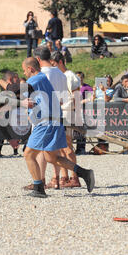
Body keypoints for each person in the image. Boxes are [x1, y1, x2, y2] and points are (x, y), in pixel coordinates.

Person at [20, 57, 95, 198]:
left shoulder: (36, 79)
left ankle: (38, 188)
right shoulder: (41, 79)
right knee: (51, 157)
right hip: (52, 121)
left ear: (30, 69)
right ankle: (84, 173)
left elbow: (18, 89)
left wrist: (1, 82)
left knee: (29, 154)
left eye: (24, 70)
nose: (24, 73)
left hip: (46, 122)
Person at [49, 51, 82, 188]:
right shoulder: (59, 76)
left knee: (67, 147)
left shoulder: (70, 76)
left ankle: (75, 177)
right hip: (60, 113)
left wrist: (63, 105)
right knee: (59, 148)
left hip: (67, 114)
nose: (52, 67)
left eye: (54, 64)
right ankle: (64, 176)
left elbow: (76, 99)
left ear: (60, 62)